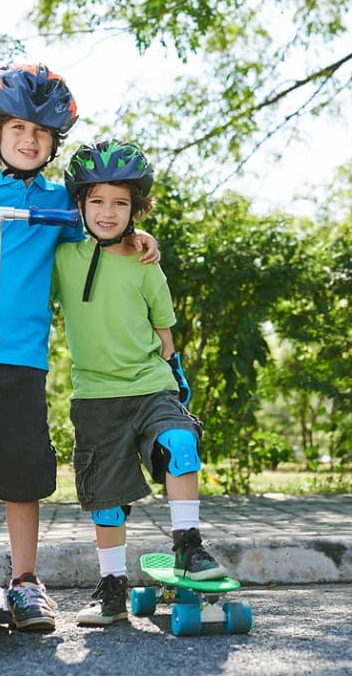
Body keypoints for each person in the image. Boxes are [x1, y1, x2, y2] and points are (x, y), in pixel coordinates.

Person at [0, 64, 159, 639]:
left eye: (41, 133)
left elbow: (101, 228)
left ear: (53, 144)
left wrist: (137, 236)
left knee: (21, 474)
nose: (29, 140)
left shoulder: (57, 205)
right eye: (18, 127)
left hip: (22, 360)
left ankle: (22, 581)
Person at [53, 139, 227, 627]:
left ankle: (188, 546)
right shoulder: (63, 257)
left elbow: (165, 338)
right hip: (95, 397)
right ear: (80, 204)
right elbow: (25, 287)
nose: (108, 212)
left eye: (121, 202)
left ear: (136, 208)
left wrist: (172, 377)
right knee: (106, 501)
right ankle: (112, 586)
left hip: (150, 386)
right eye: (98, 201)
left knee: (179, 442)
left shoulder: (147, 263)